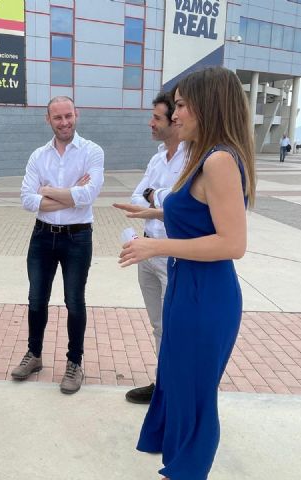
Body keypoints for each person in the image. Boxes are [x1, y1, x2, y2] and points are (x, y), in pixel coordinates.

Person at [115, 66, 256, 479]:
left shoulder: (219, 161)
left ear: (205, 105)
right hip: (186, 286)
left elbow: (233, 244)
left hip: (206, 295)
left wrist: (155, 244)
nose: (174, 115)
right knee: (174, 376)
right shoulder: (206, 156)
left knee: (194, 393)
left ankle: (188, 470)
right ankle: (172, 450)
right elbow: (201, 214)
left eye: (179, 105)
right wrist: (154, 211)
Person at [15, 96, 104, 394]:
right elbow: (28, 200)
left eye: (68, 116)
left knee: (74, 302)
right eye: (58, 118)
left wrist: (48, 191)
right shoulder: (37, 156)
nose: (64, 122)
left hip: (78, 237)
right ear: (48, 120)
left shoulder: (93, 151)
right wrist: (71, 192)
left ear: (76, 114)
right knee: (36, 299)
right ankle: (35, 355)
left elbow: (88, 196)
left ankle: (74, 363)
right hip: (42, 236)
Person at [124, 91, 185, 405]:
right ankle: (163, 385)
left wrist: (154, 196)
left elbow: (181, 203)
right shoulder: (157, 158)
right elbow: (137, 198)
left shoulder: (194, 157)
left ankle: (175, 391)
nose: (151, 123)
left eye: (157, 118)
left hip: (174, 254)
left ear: (175, 121)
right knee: (158, 324)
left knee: (176, 326)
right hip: (147, 249)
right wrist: (157, 196)